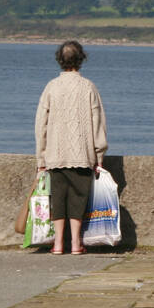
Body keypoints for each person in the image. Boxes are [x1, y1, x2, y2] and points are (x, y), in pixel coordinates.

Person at [35, 40, 108, 254]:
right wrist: (99, 155)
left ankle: (58, 244)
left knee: (57, 197)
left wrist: (41, 159)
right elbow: (98, 123)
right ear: (81, 59)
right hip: (82, 154)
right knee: (78, 197)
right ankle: (76, 243)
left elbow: (41, 125)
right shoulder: (88, 87)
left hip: (55, 154)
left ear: (60, 60)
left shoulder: (51, 87)